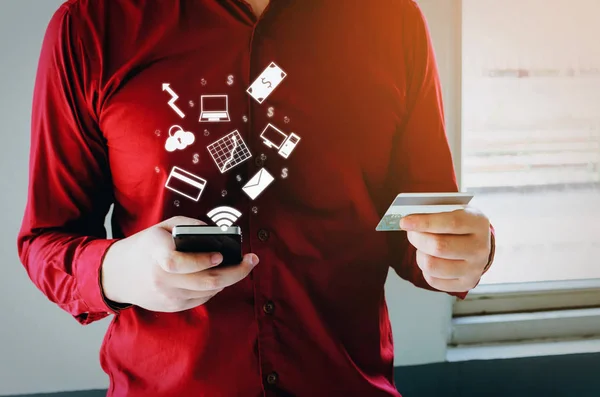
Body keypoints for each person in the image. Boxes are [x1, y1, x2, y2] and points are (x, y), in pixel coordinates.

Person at [17, 0, 495, 396]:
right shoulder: (89, 27)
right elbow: (44, 239)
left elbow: (419, 224)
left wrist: (466, 249)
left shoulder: (393, 20)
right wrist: (116, 271)